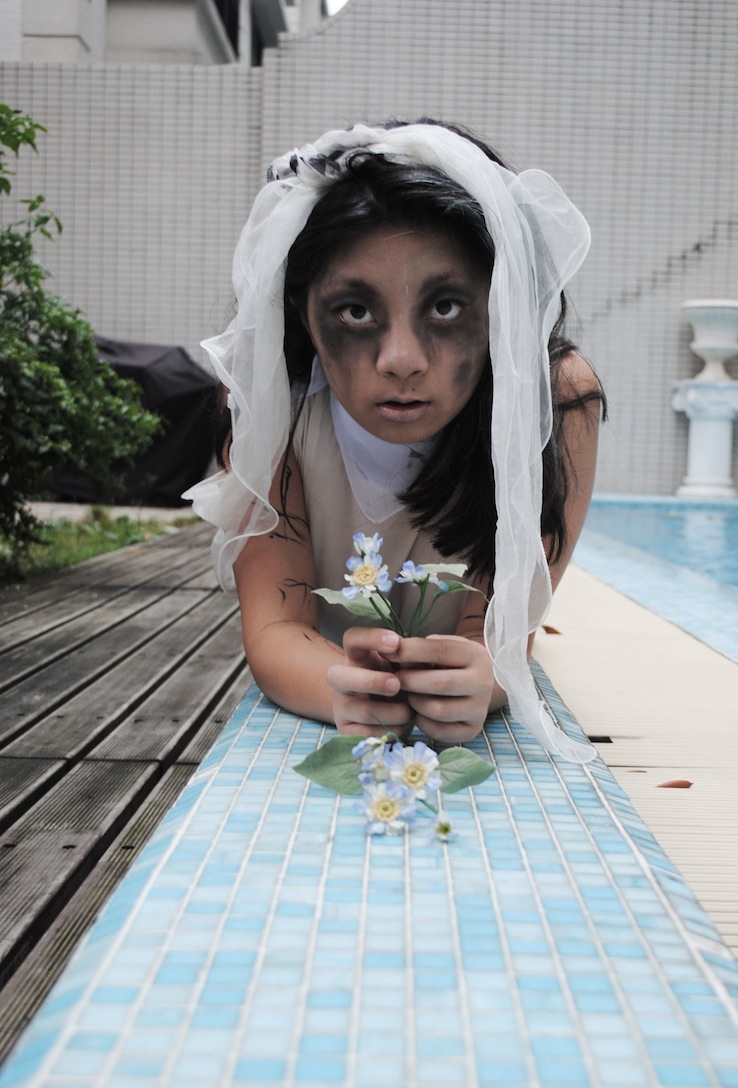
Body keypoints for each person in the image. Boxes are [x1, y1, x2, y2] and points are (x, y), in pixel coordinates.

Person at [184, 120, 606, 760]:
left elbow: (496, 638)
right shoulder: (269, 402)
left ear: (502, 301)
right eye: (356, 311)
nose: (401, 360)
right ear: (302, 310)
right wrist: (351, 689)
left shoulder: (557, 400)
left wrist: (486, 677)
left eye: (445, 307)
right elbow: (277, 628)